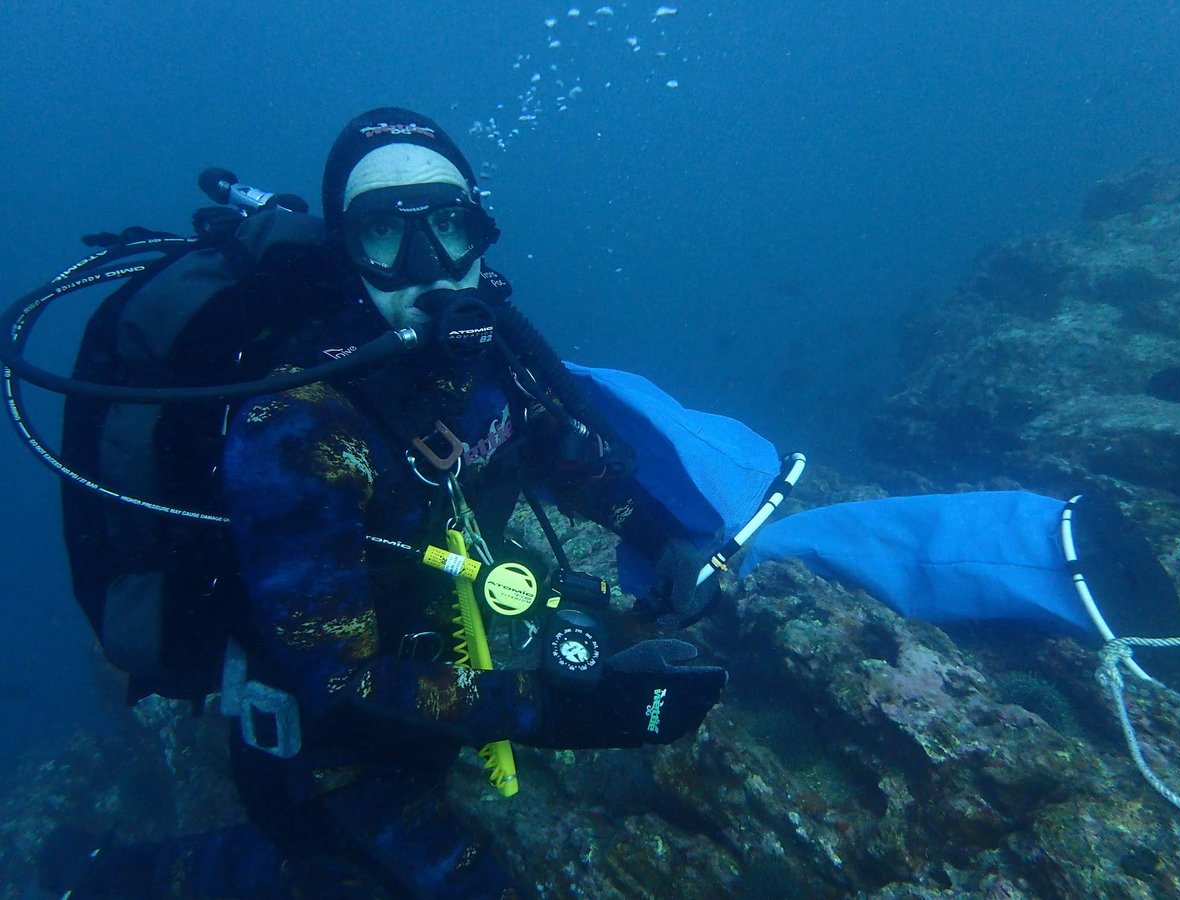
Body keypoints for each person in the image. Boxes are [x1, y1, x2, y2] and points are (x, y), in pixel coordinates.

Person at [41, 107, 728, 898]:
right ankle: (101, 879)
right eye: (384, 234)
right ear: (347, 250)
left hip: (440, 675)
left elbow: (567, 457)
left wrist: (664, 539)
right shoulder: (300, 423)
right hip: (326, 746)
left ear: (481, 232)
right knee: (344, 880)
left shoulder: (494, 351)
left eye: (450, 226)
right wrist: (575, 713)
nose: (430, 267)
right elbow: (341, 684)